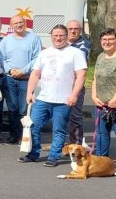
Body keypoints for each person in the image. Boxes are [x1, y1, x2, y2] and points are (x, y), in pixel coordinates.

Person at [19, 25, 86, 167]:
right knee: (33, 126)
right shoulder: (45, 53)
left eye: (61, 35)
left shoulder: (75, 53)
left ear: (67, 36)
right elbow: (35, 73)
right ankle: (34, 154)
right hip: (43, 98)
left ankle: (53, 156)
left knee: (59, 130)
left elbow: (81, 75)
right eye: (55, 35)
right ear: (51, 37)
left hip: (63, 100)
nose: (58, 38)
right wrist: (29, 92)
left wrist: (74, 95)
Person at [0, 15, 42, 144]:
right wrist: (11, 71)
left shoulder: (34, 38)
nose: (18, 25)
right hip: (10, 78)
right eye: (15, 23)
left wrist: (23, 71)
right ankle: (13, 135)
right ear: (11, 26)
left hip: (26, 79)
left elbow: (37, 58)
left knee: (24, 109)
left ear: (25, 23)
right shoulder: (6, 40)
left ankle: (25, 135)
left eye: (21, 22)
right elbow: (2, 59)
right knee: (12, 109)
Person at [90, 28, 116, 172]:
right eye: (104, 39)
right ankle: (102, 163)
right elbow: (96, 77)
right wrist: (94, 96)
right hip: (102, 104)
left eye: (110, 39)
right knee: (102, 134)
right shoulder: (101, 56)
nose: (107, 42)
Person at [66, 19, 91, 145]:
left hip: (76, 87)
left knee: (75, 118)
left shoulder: (83, 45)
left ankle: (77, 145)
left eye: (76, 29)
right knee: (61, 117)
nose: (73, 31)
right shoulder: (65, 43)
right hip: (62, 86)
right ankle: (64, 144)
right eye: (70, 29)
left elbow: (78, 58)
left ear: (80, 30)